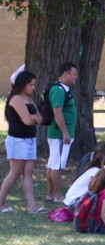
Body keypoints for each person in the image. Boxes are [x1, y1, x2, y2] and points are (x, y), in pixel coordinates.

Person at [0, 71, 45, 214]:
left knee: (28, 172)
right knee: (15, 172)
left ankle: (32, 206)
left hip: (30, 140)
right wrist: (33, 118)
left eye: (34, 85)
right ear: (22, 84)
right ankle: (0, 202)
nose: (33, 87)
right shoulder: (16, 99)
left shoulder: (28, 98)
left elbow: (39, 118)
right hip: (18, 141)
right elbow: (28, 121)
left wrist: (33, 117)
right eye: (30, 85)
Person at [45, 61, 78, 204]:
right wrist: (65, 133)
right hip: (60, 134)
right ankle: (58, 196)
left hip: (59, 133)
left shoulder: (63, 88)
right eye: (74, 74)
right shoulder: (58, 90)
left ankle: (51, 195)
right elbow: (57, 112)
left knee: (52, 163)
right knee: (56, 165)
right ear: (66, 74)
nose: (76, 77)